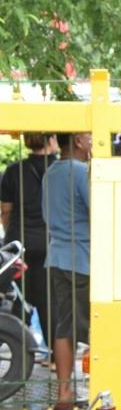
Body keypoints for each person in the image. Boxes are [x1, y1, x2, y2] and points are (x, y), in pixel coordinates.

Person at [42, 132, 92, 410]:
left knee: (65, 326)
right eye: (89, 136)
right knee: (96, 328)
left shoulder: (51, 172)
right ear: (77, 140)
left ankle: (63, 391)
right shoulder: (80, 172)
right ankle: (101, 389)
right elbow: (99, 210)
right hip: (83, 259)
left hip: (58, 257)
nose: (93, 140)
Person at [1, 133, 58, 345]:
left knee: (19, 298)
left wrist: (12, 234)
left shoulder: (14, 170)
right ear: (51, 140)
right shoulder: (58, 169)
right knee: (48, 299)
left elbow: (6, 210)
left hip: (20, 242)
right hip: (49, 242)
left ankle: (19, 349)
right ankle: (53, 355)